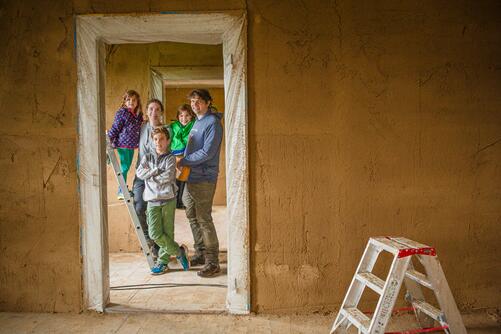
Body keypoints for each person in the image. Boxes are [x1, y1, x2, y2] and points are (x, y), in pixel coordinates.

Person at [178, 89, 223, 277]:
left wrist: (184, 161)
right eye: (193, 101)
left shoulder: (213, 123)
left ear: (208, 102)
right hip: (191, 176)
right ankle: (201, 252)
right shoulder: (197, 121)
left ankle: (213, 262)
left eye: (198, 102)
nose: (195, 105)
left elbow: (207, 152)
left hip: (204, 177)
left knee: (204, 218)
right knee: (191, 213)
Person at [136, 127, 190, 275]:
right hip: (152, 200)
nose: (158, 142)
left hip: (168, 199)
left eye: (161, 139)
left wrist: (150, 176)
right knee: (154, 234)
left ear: (167, 141)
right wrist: (154, 171)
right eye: (155, 139)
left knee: (168, 232)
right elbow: (140, 173)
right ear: (152, 141)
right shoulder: (147, 157)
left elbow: (168, 177)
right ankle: (178, 251)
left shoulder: (170, 158)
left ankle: (162, 262)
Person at [132, 98, 167, 260]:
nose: (154, 112)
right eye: (151, 109)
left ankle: (160, 246)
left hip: (157, 177)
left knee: (157, 212)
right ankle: (149, 241)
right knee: (139, 206)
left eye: (157, 109)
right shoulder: (142, 127)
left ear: (161, 113)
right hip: (141, 175)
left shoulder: (166, 131)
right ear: (146, 112)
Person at [107, 90, 143, 200]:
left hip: (131, 146)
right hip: (123, 144)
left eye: (134, 100)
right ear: (124, 101)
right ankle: (121, 190)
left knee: (126, 168)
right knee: (124, 167)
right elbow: (116, 127)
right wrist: (108, 140)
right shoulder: (122, 113)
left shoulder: (137, 115)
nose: (131, 102)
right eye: (128, 100)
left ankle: (122, 189)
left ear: (137, 102)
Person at [169, 104, 196, 209]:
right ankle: (174, 201)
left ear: (191, 116)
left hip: (187, 156)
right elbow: (174, 139)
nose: (184, 118)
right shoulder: (174, 126)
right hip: (175, 155)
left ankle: (179, 201)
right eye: (181, 116)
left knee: (183, 179)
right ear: (177, 116)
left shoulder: (194, 125)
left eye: (187, 115)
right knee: (174, 179)